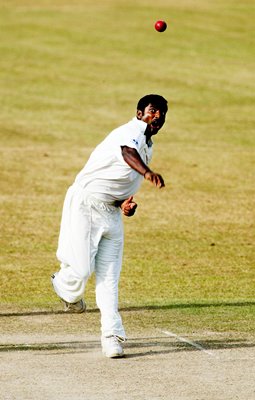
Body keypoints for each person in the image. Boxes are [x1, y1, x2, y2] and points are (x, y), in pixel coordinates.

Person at [51, 94, 168, 358]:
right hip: (87, 204)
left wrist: (125, 205)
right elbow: (127, 153)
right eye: (153, 111)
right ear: (140, 113)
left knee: (109, 279)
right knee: (80, 270)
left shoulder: (148, 144)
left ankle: (111, 336)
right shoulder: (130, 132)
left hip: (111, 213)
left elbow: (124, 180)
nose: (157, 117)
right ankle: (64, 287)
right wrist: (148, 173)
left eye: (162, 113)